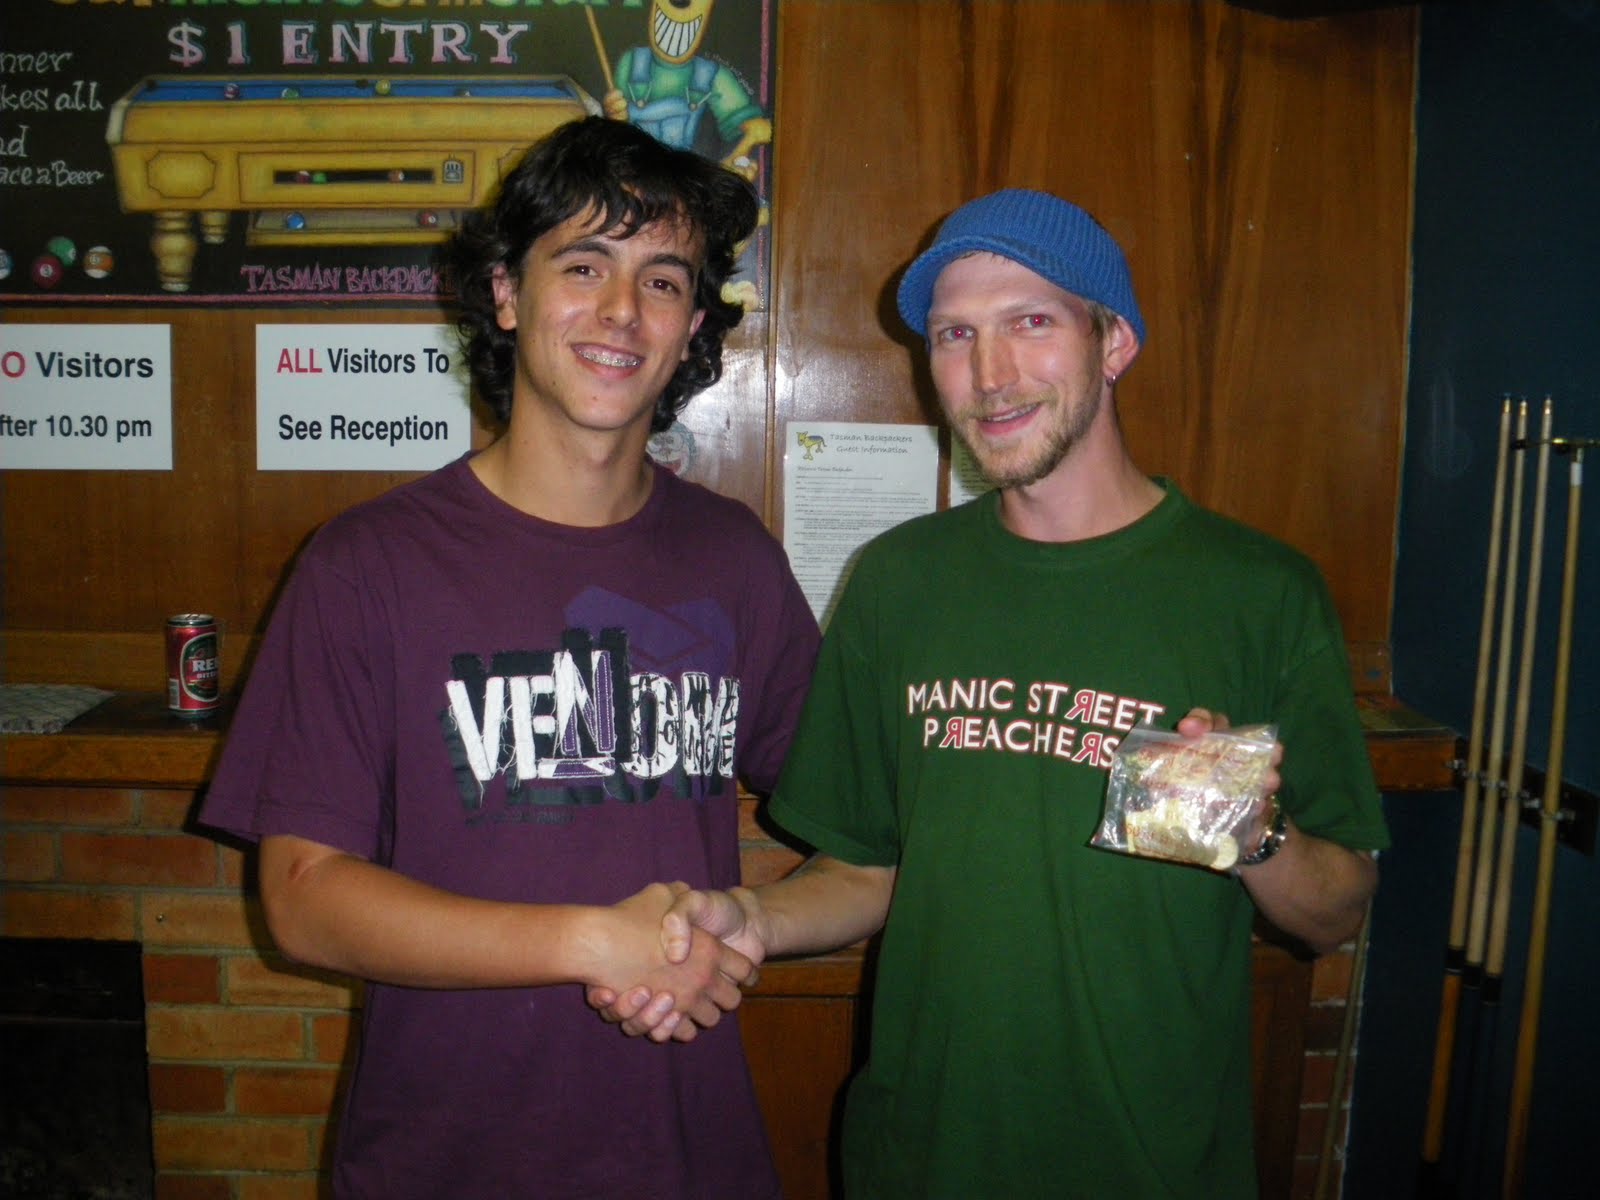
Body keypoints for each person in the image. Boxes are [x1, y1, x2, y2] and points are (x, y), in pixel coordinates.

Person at [594, 187, 1391, 1197]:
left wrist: (1253, 833)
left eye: (1032, 322)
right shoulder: (899, 580)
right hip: (920, 1158)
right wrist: (750, 918)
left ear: (1114, 343)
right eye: (955, 335)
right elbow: (867, 867)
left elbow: (1335, 911)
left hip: (1152, 1166)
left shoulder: (1258, 591)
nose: (991, 373)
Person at [197, 116, 819, 1199]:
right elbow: (302, 899)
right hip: (445, 1160)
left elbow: (865, 833)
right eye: (583, 265)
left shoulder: (735, 559)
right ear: (506, 294)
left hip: (688, 1158)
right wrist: (592, 942)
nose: (621, 310)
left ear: (690, 328)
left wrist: (752, 922)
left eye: (662, 280)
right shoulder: (367, 564)